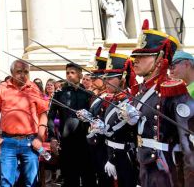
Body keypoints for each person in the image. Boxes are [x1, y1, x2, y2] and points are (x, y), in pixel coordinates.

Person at [120, 20, 194, 186]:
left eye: (142, 56)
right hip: (145, 166)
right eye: (135, 56)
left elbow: (189, 144)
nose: (135, 60)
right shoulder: (141, 92)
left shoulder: (173, 90)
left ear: (160, 58)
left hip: (166, 168)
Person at [0, 60, 49, 187]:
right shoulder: (3, 88)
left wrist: (40, 137)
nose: (23, 75)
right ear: (12, 72)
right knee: (6, 182)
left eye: (26, 72)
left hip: (30, 141)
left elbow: (43, 114)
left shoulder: (34, 88)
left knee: (31, 182)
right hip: (7, 142)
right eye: (19, 72)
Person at [89, 46, 139, 187]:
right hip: (110, 152)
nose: (106, 82)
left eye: (110, 79)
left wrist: (113, 158)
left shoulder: (130, 99)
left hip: (124, 155)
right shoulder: (114, 98)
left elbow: (122, 133)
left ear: (122, 79)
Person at [48, 63, 96, 187]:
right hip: (67, 141)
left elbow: (95, 116)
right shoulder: (59, 94)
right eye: (67, 73)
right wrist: (53, 137)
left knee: (88, 175)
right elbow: (50, 118)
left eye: (73, 72)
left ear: (80, 74)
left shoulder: (88, 94)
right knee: (70, 176)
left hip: (86, 140)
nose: (69, 75)